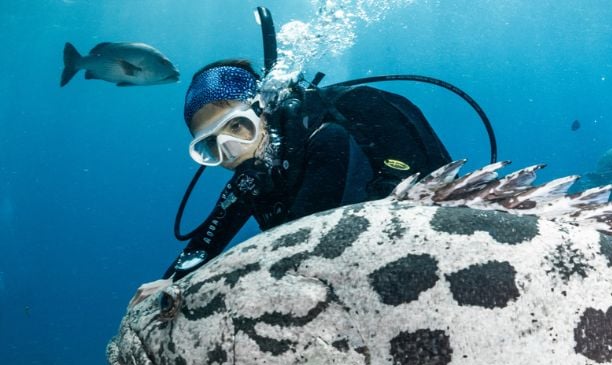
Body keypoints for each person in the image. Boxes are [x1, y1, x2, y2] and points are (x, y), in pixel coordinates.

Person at [130, 59, 451, 305]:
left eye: (237, 127)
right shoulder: (254, 175)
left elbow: (297, 248)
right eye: (210, 146)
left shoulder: (328, 138)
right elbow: (206, 242)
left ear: (264, 110)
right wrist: (172, 281)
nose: (228, 149)